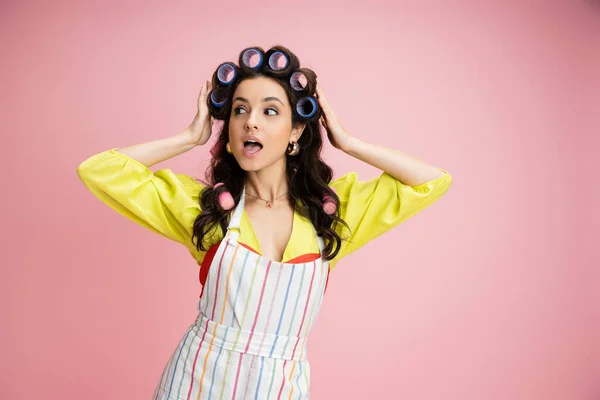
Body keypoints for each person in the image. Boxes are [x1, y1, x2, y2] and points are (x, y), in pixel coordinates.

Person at [77, 45, 452, 399]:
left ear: (296, 132)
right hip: (194, 384)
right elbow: (100, 170)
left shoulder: (330, 214)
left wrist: (350, 143)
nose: (250, 122)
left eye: (270, 111)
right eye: (240, 110)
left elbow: (432, 180)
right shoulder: (206, 209)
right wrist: (189, 137)